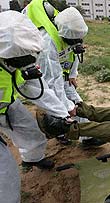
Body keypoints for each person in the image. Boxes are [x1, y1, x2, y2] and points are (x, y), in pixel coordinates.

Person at [22, 0, 104, 147]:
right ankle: (60, 132)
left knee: (77, 103)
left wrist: (73, 74)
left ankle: (86, 137)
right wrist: (66, 106)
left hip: (64, 75)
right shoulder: (48, 43)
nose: (77, 42)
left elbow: (75, 53)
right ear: (64, 35)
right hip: (49, 76)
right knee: (58, 105)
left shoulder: (70, 26)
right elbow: (53, 81)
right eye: (74, 40)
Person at [0, 10, 57, 202]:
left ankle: (32, 158)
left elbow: (36, 89)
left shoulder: (11, 61)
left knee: (31, 132)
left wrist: (63, 112)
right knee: (4, 175)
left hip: (6, 105)